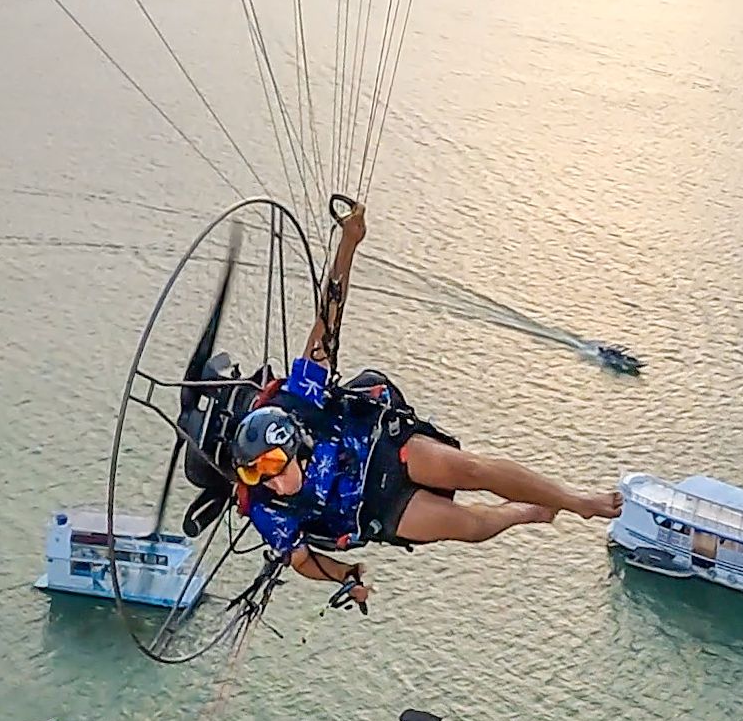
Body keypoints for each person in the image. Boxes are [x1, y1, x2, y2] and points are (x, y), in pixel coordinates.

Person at [231, 205, 620, 609]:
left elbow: (328, 316)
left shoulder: (302, 398)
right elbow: (300, 559)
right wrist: (346, 576)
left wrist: (349, 243)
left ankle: (576, 502)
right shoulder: (267, 506)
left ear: (298, 443)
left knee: (472, 469)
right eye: (259, 476)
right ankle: (527, 512)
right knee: (467, 526)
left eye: (275, 468)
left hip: (380, 447)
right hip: (374, 509)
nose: (271, 484)